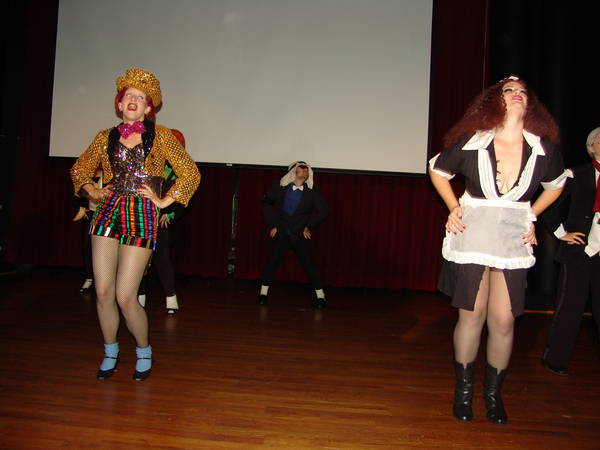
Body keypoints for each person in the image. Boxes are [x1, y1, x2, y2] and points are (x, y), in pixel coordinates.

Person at [429, 76, 565, 424]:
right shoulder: (473, 141)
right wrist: (453, 207)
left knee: (504, 320)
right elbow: (438, 170)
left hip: (511, 238)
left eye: (523, 91)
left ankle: (493, 395)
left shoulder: (543, 148)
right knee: (471, 315)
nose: (517, 94)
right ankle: (463, 394)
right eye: (509, 90)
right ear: (494, 101)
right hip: (474, 234)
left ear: (529, 104)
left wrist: (531, 215)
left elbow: (556, 185)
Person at [70, 68, 200, 381]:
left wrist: (164, 201)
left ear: (148, 108)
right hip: (107, 212)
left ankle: (143, 350)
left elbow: (190, 172)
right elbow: (79, 170)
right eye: (129, 95)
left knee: (126, 296)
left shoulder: (162, 136)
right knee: (103, 292)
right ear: (119, 103)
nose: (133, 100)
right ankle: (110, 350)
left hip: (141, 214)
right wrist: (94, 191)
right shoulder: (105, 137)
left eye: (140, 97)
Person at [540, 127, 600, 376]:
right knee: (570, 308)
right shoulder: (575, 174)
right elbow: (548, 205)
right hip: (579, 251)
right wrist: (560, 232)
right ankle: (555, 360)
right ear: (591, 147)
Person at [258, 161, 329, 308]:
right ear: (293, 171)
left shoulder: (312, 191)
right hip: (281, 232)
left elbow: (324, 211)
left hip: (300, 235)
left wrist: (308, 227)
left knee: (309, 265)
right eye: (302, 168)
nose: (305, 170)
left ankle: (321, 296)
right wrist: (273, 225)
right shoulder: (280, 188)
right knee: (272, 262)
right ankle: (263, 294)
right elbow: (265, 203)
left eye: (307, 169)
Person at [138, 158, 188, 316]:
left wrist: (171, 213)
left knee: (162, 258)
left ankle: (171, 297)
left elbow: (184, 198)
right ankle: (139, 297)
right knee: (139, 260)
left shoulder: (178, 172)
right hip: (142, 219)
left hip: (161, 222)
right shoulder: (146, 167)